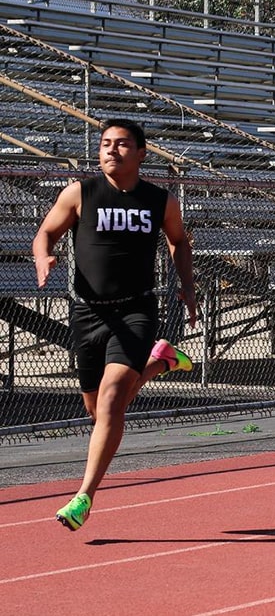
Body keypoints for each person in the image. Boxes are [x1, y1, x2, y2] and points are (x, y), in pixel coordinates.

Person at [33, 119, 198, 531]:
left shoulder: (161, 200)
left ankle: (83, 497)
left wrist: (188, 285)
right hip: (87, 313)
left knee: (110, 401)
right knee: (98, 410)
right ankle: (162, 362)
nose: (111, 151)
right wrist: (43, 257)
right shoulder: (80, 193)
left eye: (122, 144)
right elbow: (45, 233)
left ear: (141, 153)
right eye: (105, 144)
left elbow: (178, 240)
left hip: (136, 310)